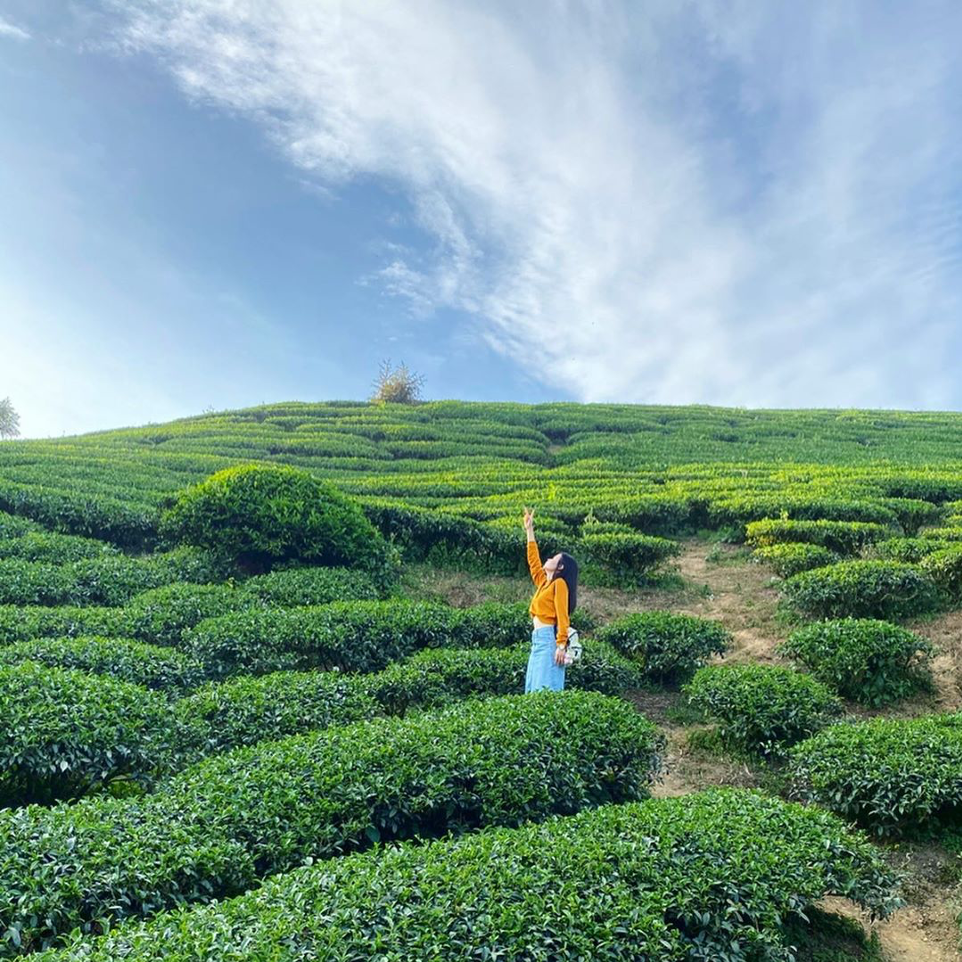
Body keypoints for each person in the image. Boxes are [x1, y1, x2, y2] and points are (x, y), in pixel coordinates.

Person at [523, 506, 579, 693]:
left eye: (554, 558)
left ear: (561, 567)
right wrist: (529, 530)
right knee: (532, 688)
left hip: (549, 640)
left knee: (544, 690)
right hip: (538, 640)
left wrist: (561, 645)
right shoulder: (544, 583)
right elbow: (534, 562)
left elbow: (563, 616)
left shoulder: (559, 584)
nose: (549, 558)